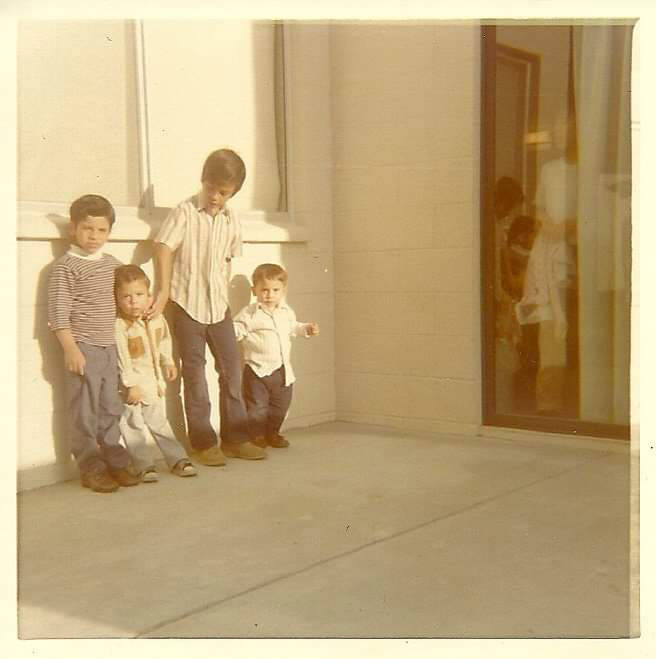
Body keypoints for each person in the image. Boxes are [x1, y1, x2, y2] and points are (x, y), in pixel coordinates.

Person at [145, 148, 265, 465]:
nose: (215, 196)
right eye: (211, 188)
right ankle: (203, 443)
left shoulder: (231, 219)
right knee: (194, 377)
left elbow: (226, 259)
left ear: (232, 193)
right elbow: (162, 247)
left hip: (218, 307)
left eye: (223, 192)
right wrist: (164, 289)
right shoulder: (185, 211)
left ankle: (236, 438)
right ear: (203, 181)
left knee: (231, 371)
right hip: (187, 305)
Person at [47, 194, 140, 493]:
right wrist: (70, 348)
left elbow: (129, 294)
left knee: (111, 407)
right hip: (83, 349)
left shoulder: (112, 264)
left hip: (109, 347)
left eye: (101, 230)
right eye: (87, 229)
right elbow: (58, 313)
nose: (94, 236)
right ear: (73, 229)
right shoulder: (65, 267)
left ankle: (116, 460)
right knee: (84, 412)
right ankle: (91, 466)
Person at [115, 265, 197, 482]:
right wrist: (130, 384)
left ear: (149, 296)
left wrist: (167, 361)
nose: (134, 301)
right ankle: (144, 465)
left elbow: (164, 340)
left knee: (159, 421)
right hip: (130, 386)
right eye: (126, 296)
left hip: (152, 382)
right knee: (132, 425)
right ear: (117, 299)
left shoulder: (156, 319)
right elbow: (121, 357)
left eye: (139, 295)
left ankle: (177, 458)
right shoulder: (120, 326)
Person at [233, 264, 320, 449]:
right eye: (264, 290)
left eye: (275, 290)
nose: (269, 294)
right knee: (257, 408)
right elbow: (237, 329)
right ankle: (257, 436)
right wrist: (233, 331)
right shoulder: (249, 314)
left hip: (282, 371)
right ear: (254, 290)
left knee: (280, 406)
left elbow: (294, 327)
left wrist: (307, 329)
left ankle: (272, 433)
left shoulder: (286, 312)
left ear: (283, 291)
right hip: (257, 370)